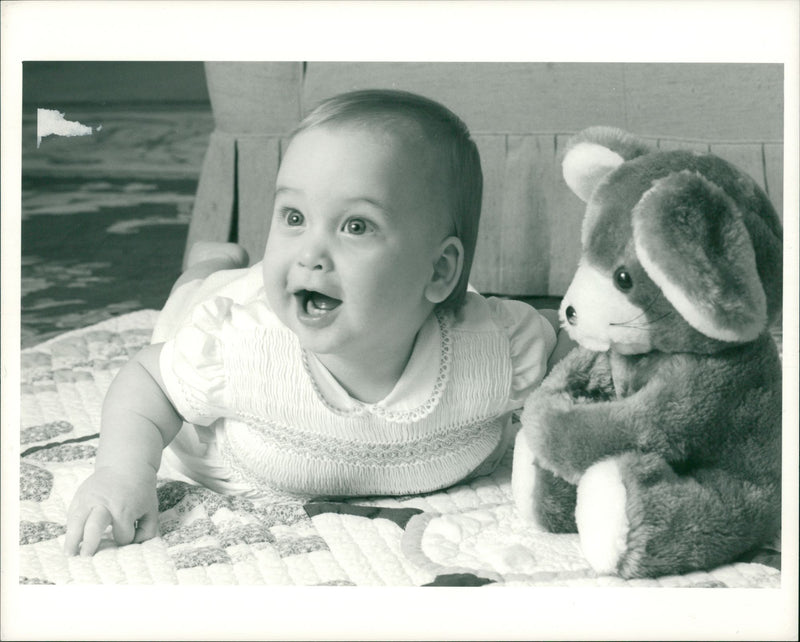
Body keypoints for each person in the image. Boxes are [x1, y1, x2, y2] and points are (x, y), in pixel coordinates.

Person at [64, 89, 573, 556]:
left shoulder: (492, 347)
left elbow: (567, 349)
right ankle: (211, 262)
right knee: (191, 297)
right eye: (292, 217)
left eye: (356, 226)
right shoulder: (236, 344)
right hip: (231, 313)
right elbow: (148, 377)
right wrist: (121, 472)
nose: (310, 251)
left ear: (439, 271)